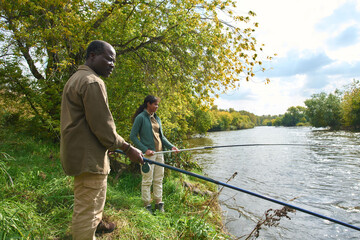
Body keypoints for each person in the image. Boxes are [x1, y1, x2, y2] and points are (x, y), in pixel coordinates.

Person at [60, 40, 143, 240]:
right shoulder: (92, 82)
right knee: (88, 212)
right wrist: (127, 148)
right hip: (88, 160)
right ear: (92, 56)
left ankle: (93, 231)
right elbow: (103, 127)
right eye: (108, 59)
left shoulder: (76, 78)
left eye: (114, 61)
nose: (112, 64)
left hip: (81, 155)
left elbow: (88, 124)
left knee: (88, 206)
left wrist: (107, 146)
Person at [130, 95, 179, 214]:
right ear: (148, 104)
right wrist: (144, 149)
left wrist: (171, 146)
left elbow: (161, 137)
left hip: (159, 154)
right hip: (148, 155)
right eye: (155, 104)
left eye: (157, 105)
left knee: (158, 179)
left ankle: (158, 203)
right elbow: (133, 136)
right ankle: (147, 205)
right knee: (147, 180)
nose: (157, 107)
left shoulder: (157, 118)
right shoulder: (141, 118)